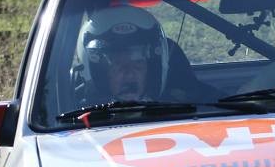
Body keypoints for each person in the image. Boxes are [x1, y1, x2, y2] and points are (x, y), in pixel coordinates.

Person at [71, 6, 210, 104]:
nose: (130, 74)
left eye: (138, 63)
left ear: (152, 68)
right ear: (99, 73)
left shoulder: (190, 105)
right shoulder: (71, 115)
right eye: (118, 65)